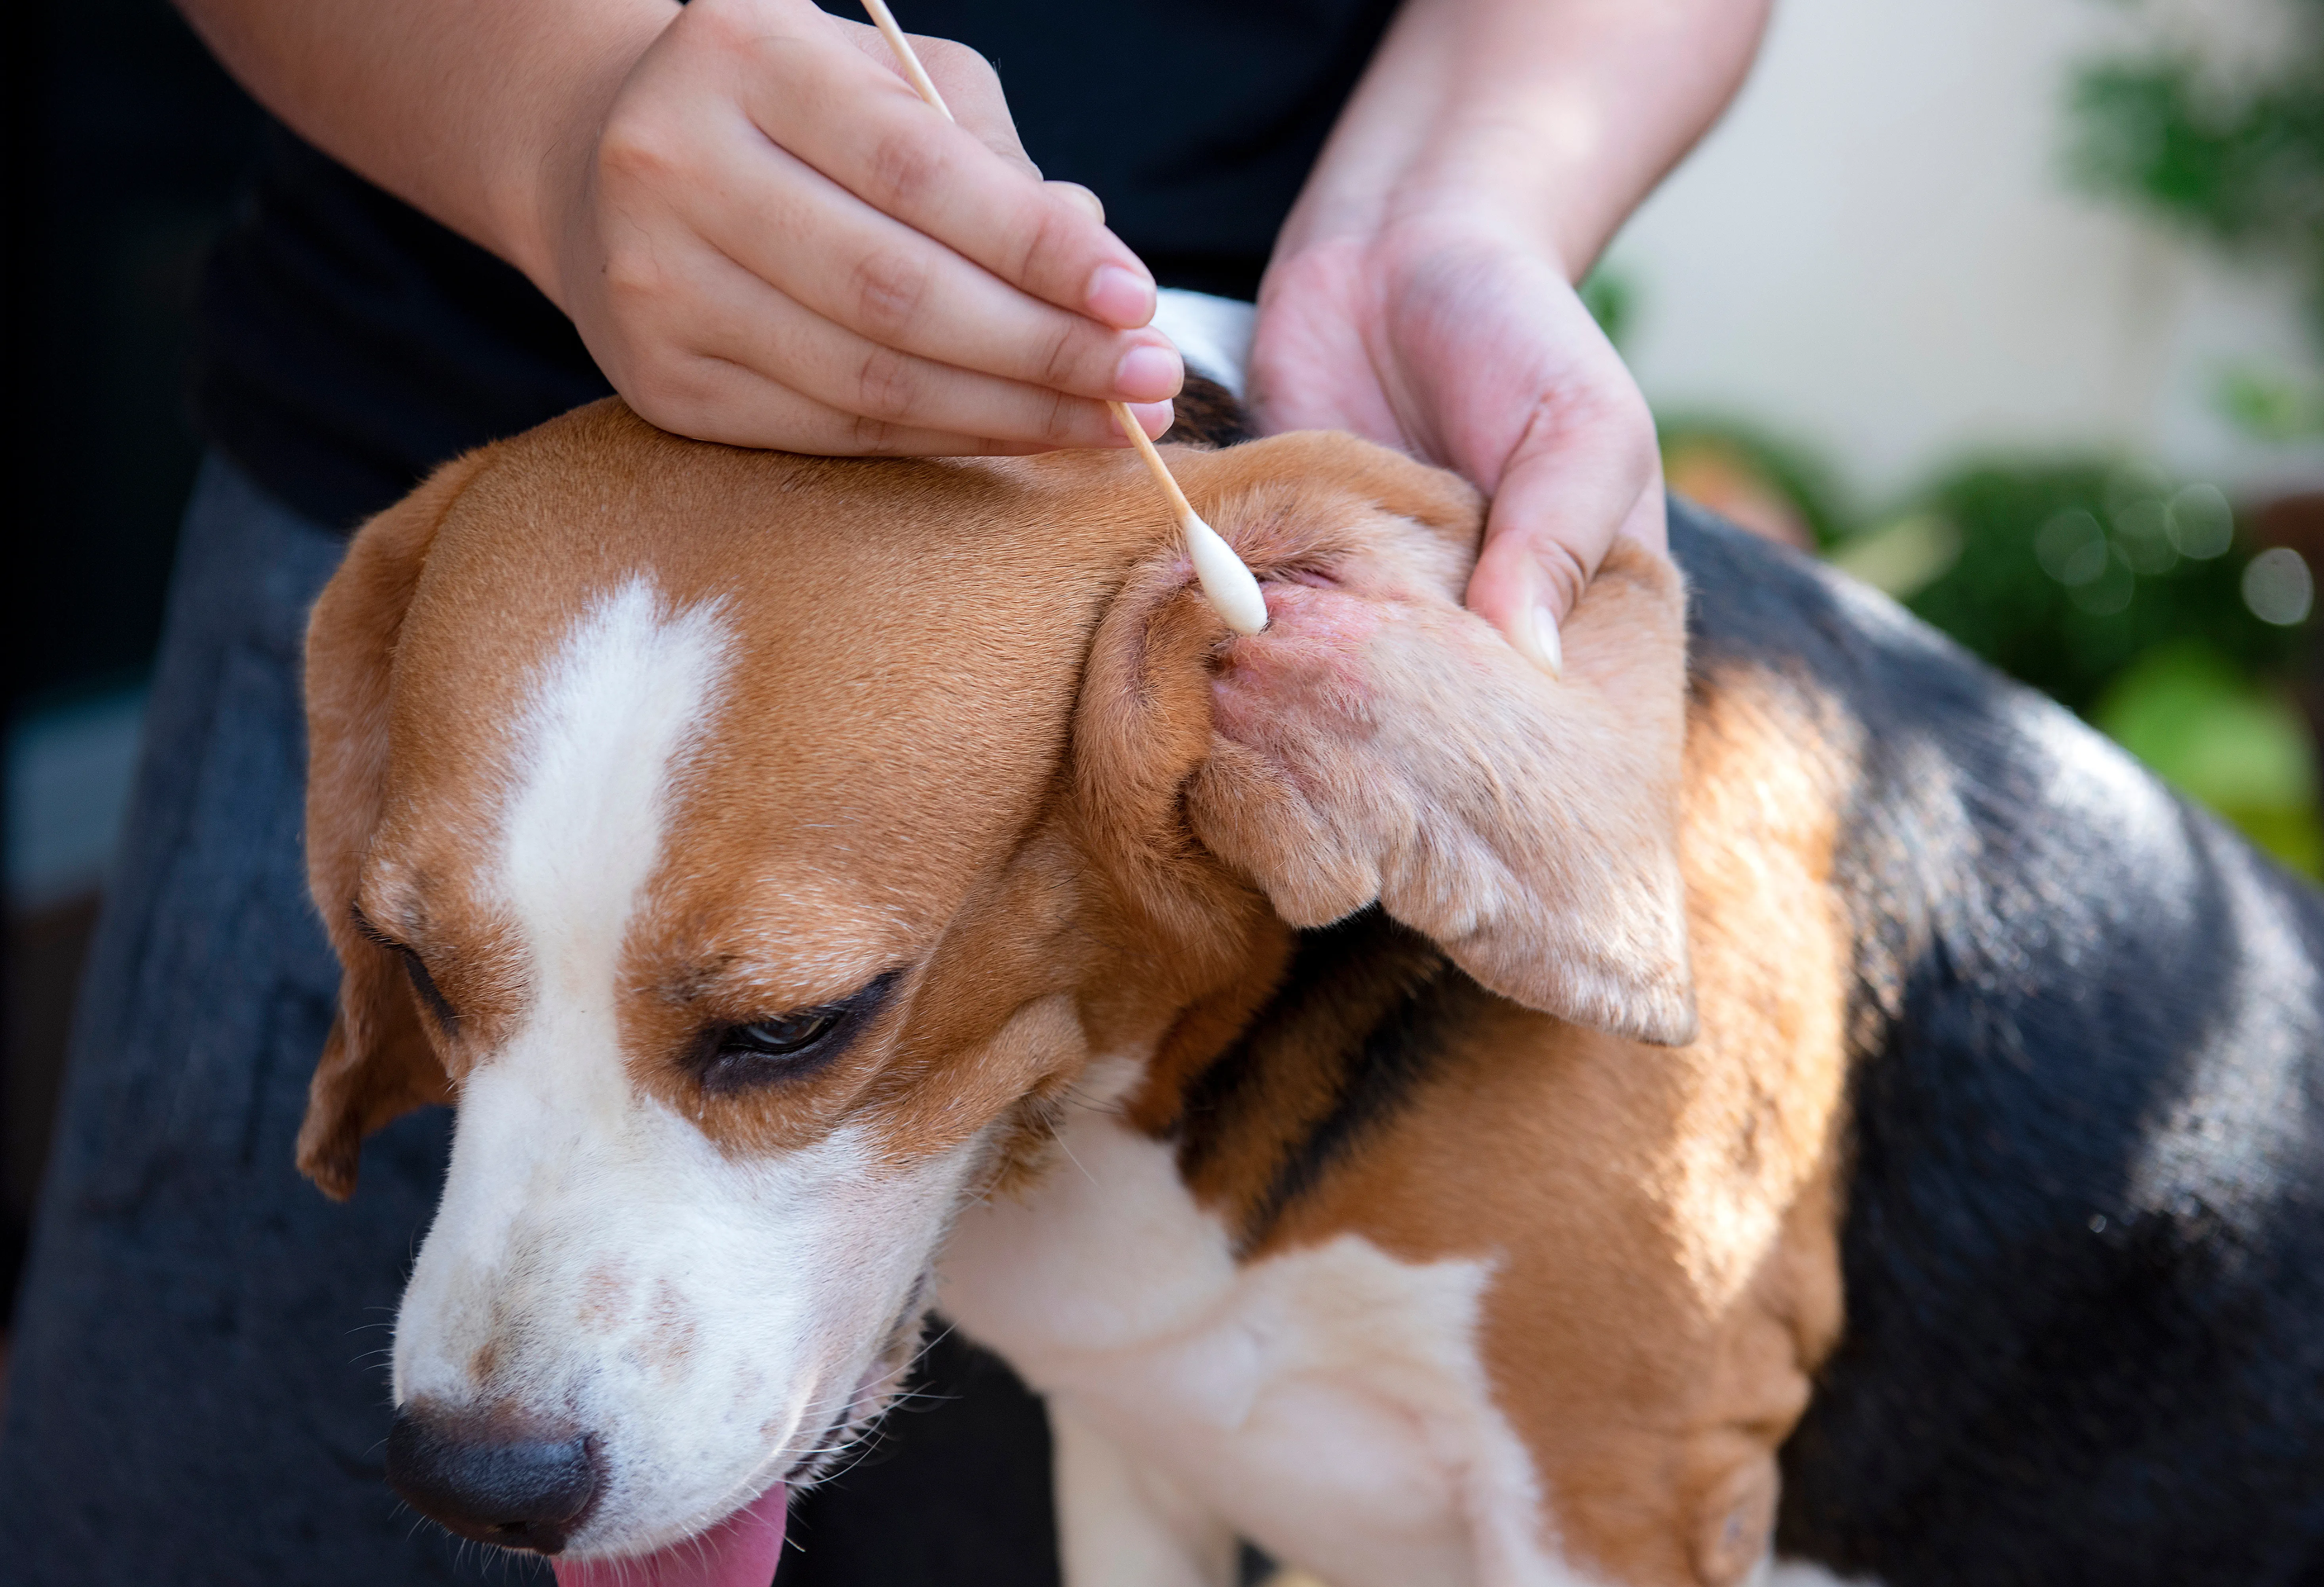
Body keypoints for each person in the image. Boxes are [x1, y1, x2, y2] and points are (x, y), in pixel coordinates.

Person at [0, 1, 1768, 1582]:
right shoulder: (418, 659)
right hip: (444, 487)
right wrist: (557, 120)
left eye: (773, 1023)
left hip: (1193, 508)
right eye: (450, 975)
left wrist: (1452, 200)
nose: (485, 1392)